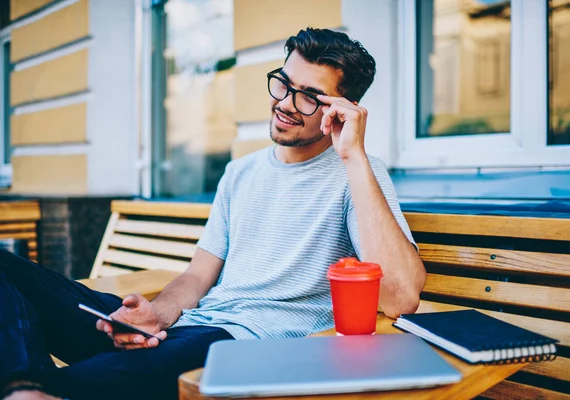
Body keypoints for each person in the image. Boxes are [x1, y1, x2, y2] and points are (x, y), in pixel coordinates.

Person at [0, 28, 425, 400]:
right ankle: (24, 385)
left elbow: (401, 298)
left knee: (77, 383)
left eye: (310, 97)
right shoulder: (240, 172)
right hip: (187, 324)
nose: (286, 103)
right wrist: (158, 312)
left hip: (240, 344)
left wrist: (352, 155)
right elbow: (198, 277)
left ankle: (36, 388)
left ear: (342, 108)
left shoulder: (358, 174)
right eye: (283, 83)